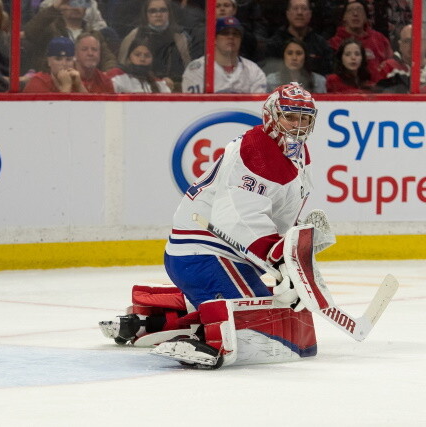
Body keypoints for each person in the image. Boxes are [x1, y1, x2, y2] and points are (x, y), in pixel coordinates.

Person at [99, 83, 322, 369]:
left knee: (288, 322)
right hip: (204, 253)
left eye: (305, 119)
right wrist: (277, 258)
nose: (298, 126)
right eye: (290, 117)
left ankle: (148, 320)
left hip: (230, 256)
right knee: (272, 331)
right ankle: (206, 339)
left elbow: (278, 211)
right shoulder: (257, 152)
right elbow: (237, 217)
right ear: (271, 115)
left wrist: (289, 252)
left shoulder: (297, 153)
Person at [22, 0, 117, 72]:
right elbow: (30, 32)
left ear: (86, 8)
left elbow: (108, 59)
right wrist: (54, 8)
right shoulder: (49, 29)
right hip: (53, 82)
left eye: (80, 2)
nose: (75, 7)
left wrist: (108, 75)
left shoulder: (94, 34)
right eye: (70, 2)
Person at [118, 0, 191, 91]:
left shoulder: (180, 37)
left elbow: (188, 71)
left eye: (163, 10)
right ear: (146, 14)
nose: (158, 14)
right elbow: (122, 69)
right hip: (140, 89)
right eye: (153, 11)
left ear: (169, 13)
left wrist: (173, 82)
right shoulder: (133, 37)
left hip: (175, 90)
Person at [182, 16, 266, 94]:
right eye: (225, 33)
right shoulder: (197, 69)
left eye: (235, 34)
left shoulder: (254, 71)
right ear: (214, 39)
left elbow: (257, 107)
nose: (231, 37)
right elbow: (195, 107)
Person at [264, 0, 334, 76]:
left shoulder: (321, 44)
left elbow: (328, 73)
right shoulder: (274, 44)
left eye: (304, 9)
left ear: (310, 14)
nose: (299, 13)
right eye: (295, 8)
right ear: (287, 14)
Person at [328, 0, 392, 81]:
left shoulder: (379, 38)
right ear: (344, 18)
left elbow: (391, 65)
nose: (355, 14)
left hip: (380, 90)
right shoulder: (334, 43)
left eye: (359, 10)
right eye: (350, 11)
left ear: (366, 18)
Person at [22, 36, 87, 92]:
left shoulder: (76, 80)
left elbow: (90, 106)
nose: (64, 64)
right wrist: (66, 87)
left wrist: (80, 86)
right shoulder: (37, 82)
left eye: (68, 59)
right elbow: (54, 106)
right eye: (58, 59)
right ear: (49, 61)